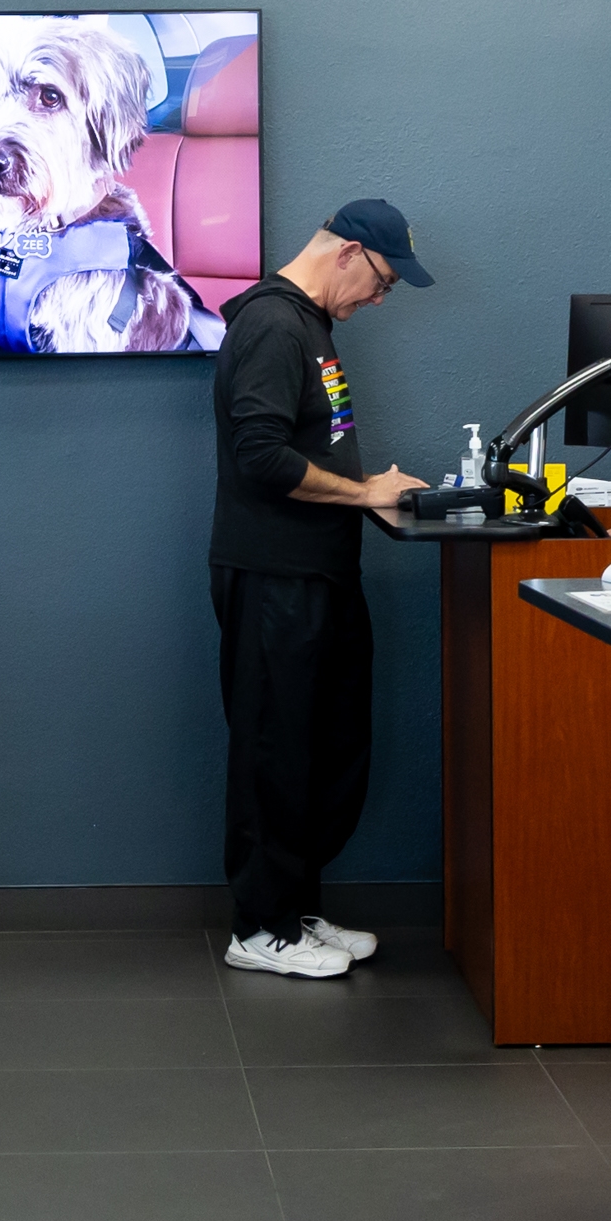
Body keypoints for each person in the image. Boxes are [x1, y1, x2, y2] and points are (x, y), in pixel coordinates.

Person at [208, 200, 430, 981]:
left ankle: (295, 910)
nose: (378, 299)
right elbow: (261, 456)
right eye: (381, 281)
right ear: (346, 252)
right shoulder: (273, 325)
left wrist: (366, 495)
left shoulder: (311, 325)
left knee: (317, 749)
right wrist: (367, 493)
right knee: (273, 749)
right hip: (274, 574)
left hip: (318, 573)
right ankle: (258, 926)